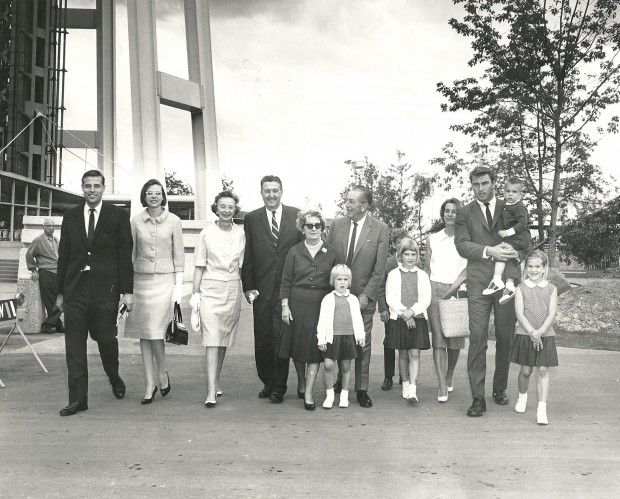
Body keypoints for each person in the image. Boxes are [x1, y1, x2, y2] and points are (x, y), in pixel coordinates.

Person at [55, 170, 133, 416]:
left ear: (103, 188)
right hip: (75, 289)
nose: (91, 190)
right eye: (87, 186)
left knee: (106, 340)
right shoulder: (70, 216)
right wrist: (60, 293)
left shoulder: (118, 216)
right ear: (82, 187)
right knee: (74, 345)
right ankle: (78, 399)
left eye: (96, 186)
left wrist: (127, 292)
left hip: (104, 290)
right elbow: (64, 256)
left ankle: (114, 376)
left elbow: (124, 257)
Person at [454, 165, 520, 417]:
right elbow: (462, 245)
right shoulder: (464, 213)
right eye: (475, 185)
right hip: (479, 282)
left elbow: (524, 239)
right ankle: (478, 397)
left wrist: (518, 253)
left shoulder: (511, 207)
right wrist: (489, 251)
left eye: (484, 183)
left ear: (494, 182)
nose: (480, 189)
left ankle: (499, 388)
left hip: (507, 283)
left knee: (505, 338)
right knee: (478, 338)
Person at [326, 186, 389, 408]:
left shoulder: (380, 229)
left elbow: (379, 269)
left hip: (363, 297)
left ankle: (361, 388)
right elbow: (330, 261)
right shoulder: (336, 225)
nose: (348, 205)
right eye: (347, 200)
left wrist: (367, 295)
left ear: (364, 206)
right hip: (337, 296)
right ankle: (339, 382)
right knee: (338, 339)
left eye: (352, 201)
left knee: (362, 343)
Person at [241, 175, 303, 402]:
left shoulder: (295, 215)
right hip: (261, 291)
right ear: (261, 193)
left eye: (275, 190)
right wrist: (248, 286)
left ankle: (279, 386)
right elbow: (248, 254)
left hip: (287, 291)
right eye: (267, 191)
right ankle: (267, 380)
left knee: (281, 338)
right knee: (263, 339)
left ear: (281, 192)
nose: (271, 195)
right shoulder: (252, 218)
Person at [124, 179, 184, 405]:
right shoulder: (135, 221)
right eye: (149, 193)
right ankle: (149, 382)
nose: (154, 197)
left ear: (163, 197)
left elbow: (179, 255)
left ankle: (161, 372)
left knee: (156, 331)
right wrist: (126, 286)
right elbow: (131, 253)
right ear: (144, 196)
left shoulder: (175, 221)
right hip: (140, 280)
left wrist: (179, 287)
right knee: (143, 331)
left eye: (158, 193)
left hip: (164, 281)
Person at [278, 208, 338, 410]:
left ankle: (309, 392)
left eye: (317, 225)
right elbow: (286, 281)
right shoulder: (294, 251)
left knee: (314, 349)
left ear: (323, 228)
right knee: (297, 347)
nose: (313, 229)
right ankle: (302, 382)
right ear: (302, 228)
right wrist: (285, 306)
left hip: (321, 306)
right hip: (297, 304)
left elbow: (339, 279)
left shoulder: (332, 252)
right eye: (309, 225)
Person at [190, 191, 245, 408]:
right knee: (212, 339)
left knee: (222, 340)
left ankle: (216, 380)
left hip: (231, 289)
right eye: (222, 206)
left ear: (235, 210)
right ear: (216, 207)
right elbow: (199, 266)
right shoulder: (206, 233)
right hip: (209, 290)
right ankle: (211, 390)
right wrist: (195, 295)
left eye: (230, 207)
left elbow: (243, 266)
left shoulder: (241, 233)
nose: (226, 210)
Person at [425, 199, 467, 402]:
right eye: (447, 211)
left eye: (455, 211)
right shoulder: (433, 239)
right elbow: (427, 269)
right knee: (439, 340)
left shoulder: (466, 238)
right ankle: (442, 383)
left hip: (458, 290)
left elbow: (471, 266)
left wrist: (455, 287)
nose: (450, 214)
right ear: (442, 214)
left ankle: (449, 374)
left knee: (455, 340)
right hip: (435, 290)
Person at [510, 250, 558, 425]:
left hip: (545, 334)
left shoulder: (551, 289)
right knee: (526, 370)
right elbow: (519, 313)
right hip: (526, 334)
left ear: (544, 268)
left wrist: (540, 332)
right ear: (525, 267)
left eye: (538, 266)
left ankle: (541, 409)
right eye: (530, 266)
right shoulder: (521, 288)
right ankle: (522, 397)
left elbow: (552, 313)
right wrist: (532, 332)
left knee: (543, 370)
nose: (534, 270)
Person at [385, 238, 432, 402]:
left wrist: (412, 312)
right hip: (399, 318)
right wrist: (405, 314)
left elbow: (426, 299)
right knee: (403, 354)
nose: (410, 258)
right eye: (407, 254)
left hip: (417, 318)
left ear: (418, 256)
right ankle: (405, 384)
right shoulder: (393, 274)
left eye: (413, 254)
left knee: (414, 353)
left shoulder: (423, 275)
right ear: (400, 256)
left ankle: (413, 389)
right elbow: (390, 298)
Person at [317, 264, 365, 409]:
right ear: (333, 281)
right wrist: (321, 339)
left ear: (349, 282)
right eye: (339, 279)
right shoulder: (327, 299)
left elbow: (358, 319)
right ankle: (330, 395)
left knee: (345, 367)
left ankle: (344, 396)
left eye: (345, 279)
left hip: (348, 337)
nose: (342, 282)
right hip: (332, 337)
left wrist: (360, 336)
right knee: (328, 365)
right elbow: (322, 320)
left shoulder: (353, 299)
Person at [483, 177, 533, 304]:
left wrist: (507, 232)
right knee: (510, 258)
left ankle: (497, 279)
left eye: (514, 192)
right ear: (503, 191)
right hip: (515, 237)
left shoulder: (519, 207)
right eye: (508, 191)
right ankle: (510, 286)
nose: (510, 194)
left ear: (521, 194)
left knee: (503, 250)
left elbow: (523, 223)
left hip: (520, 237)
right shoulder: (507, 205)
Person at [377, 227, 409, 391]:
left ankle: (405, 376)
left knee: (407, 342)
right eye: (398, 242)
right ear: (393, 244)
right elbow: (380, 287)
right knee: (389, 341)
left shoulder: (413, 261)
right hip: (391, 310)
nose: (401, 245)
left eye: (404, 242)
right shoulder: (388, 263)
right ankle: (388, 376)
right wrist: (383, 308)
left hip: (407, 311)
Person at [25, 218, 64, 334]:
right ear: (43, 227)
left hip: (58, 273)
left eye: (53, 226)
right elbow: (29, 255)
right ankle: (58, 325)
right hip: (46, 272)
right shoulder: (38, 241)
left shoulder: (56, 240)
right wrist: (33, 270)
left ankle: (48, 323)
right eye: (48, 226)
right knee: (50, 300)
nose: (51, 228)